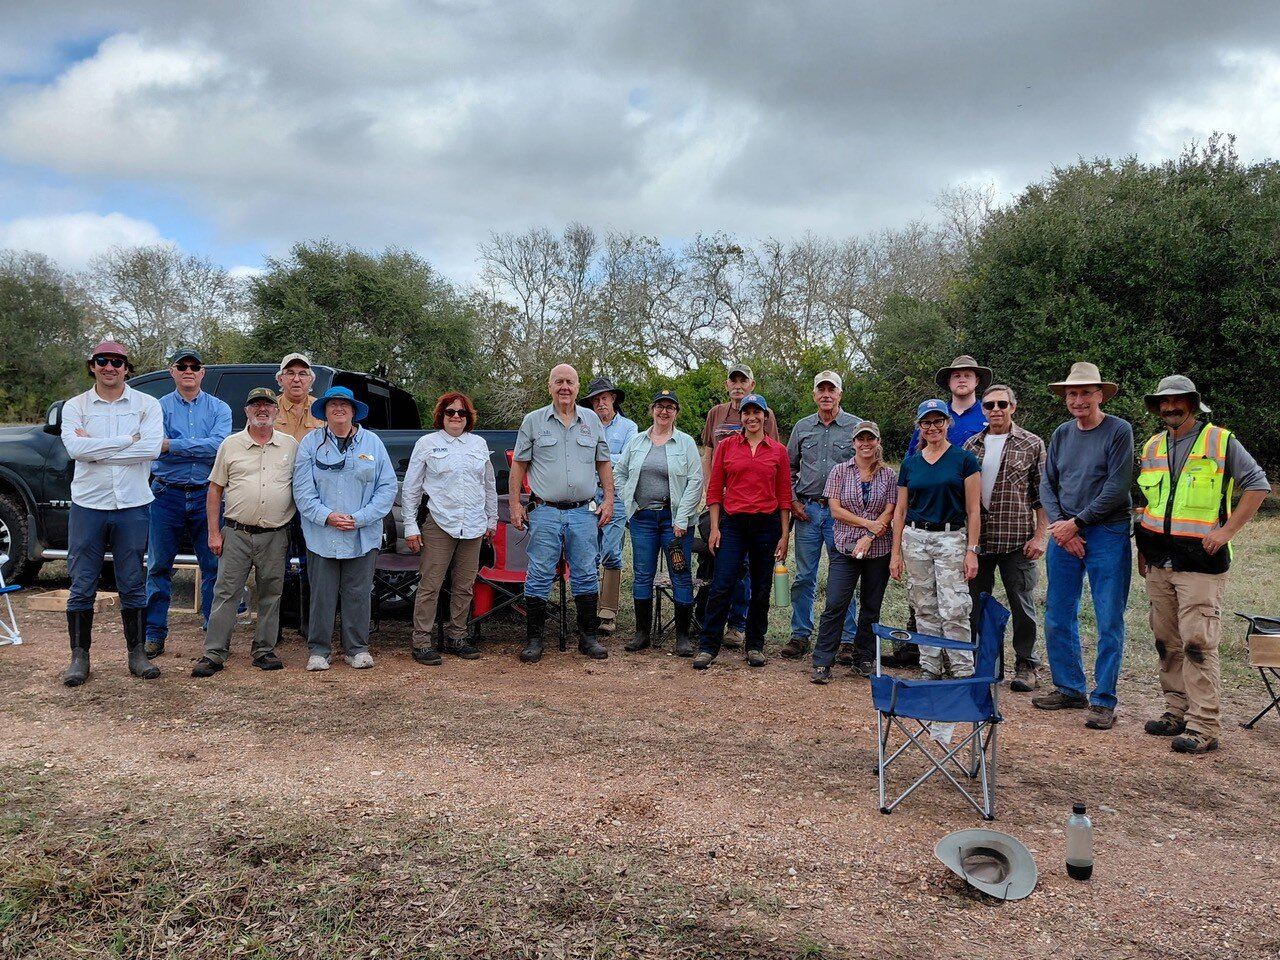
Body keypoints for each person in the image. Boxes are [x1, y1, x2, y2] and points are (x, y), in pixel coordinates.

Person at [1135, 375, 1269, 754]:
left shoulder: (1220, 441)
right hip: (1159, 560)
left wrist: (1226, 532)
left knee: (1198, 644)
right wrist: (1143, 549)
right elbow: (1148, 503)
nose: (1170, 407)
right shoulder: (1152, 446)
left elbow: (1258, 486)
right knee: (1167, 641)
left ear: (1192, 404)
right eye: (1164, 402)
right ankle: (1175, 712)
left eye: (1178, 401)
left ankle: (1204, 725)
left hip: (1202, 563)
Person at [1033, 362, 1134, 731]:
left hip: (1107, 531)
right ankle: (1070, 687)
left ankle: (1104, 699)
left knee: (1109, 617)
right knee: (1058, 612)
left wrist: (1077, 523)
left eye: (1085, 393)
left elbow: (1118, 486)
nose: (1078, 399)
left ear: (1100, 395)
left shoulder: (1119, 430)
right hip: (1065, 532)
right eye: (1072, 394)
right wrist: (1063, 527)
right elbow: (1048, 484)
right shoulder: (1061, 433)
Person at [60, 340, 164, 686]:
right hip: (89, 505)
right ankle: (79, 657)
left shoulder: (146, 404)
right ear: (92, 365)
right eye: (103, 360)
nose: (110, 367)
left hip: (132, 504)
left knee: (133, 582)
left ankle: (136, 654)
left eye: (117, 361)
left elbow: (150, 448)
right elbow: (76, 449)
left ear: (126, 367)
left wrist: (97, 449)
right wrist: (126, 441)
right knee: (82, 583)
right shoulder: (75, 407)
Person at [509, 364, 615, 663]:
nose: (564, 387)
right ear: (550, 386)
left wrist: (608, 500)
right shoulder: (533, 421)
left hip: (583, 513)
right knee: (540, 574)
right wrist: (516, 504)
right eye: (559, 382)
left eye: (569, 382)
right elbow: (519, 465)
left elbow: (603, 462)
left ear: (578, 387)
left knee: (585, 573)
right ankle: (534, 640)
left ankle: (588, 638)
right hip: (545, 512)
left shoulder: (592, 421)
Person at [192, 388, 299, 677]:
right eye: (256, 405)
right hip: (236, 532)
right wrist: (214, 533)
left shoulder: (290, 446)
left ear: (277, 412)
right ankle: (214, 653)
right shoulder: (230, 445)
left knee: (272, 593)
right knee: (226, 593)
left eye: (268, 405)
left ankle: (264, 650)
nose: (262, 409)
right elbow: (215, 490)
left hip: (276, 534)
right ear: (247, 411)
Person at [293, 386, 396, 671]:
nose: (339, 408)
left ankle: (357, 648)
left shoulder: (372, 443)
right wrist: (327, 516)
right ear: (324, 411)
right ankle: (319, 650)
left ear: (353, 411)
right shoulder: (310, 443)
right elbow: (302, 491)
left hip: (362, 533)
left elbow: (387, 487)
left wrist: (360, 517)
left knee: (358, 593)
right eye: (332, 404)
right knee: (322, 594)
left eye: (344, 404)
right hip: (321, 533)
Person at [142, 348, 232, 657]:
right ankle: (154, 634)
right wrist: (181, 446)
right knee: (158, 567)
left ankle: (213, 633)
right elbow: (155, 446)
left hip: (208, 495)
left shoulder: (220, 408)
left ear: (202, 371)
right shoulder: (158, 407)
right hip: (165, 494)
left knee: (213, 566)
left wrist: (174, 445)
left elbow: (219, 447)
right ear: (173, 371)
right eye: (183, 366)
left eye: (194, 366)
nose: (189, 371)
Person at [694, 393, 792, 670]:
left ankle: (755, 645)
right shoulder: (726, 447)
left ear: (765, 416)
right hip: (733, 523)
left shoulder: (778, 451)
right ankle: (708, 646)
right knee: (722, 584)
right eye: (747, 413)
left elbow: (784, 495)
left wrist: (784, 535)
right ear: (742, 417)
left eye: (757, 413)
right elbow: (714, 490)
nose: (751, 418)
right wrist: (715, 527)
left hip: (766, 524)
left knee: (761, 588)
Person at [963, 384, 1048, 693]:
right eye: (989, 405)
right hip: (980, 540)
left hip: (1017, 539)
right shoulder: (971, 446)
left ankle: (1027, 665)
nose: (995, 409)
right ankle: (984, 663)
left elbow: (1042, 496)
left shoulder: (1032, 444)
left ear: (1013, 406)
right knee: (976, 604)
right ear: (983, 410)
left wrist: (1041, 536)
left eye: (1002, 404)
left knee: (1022, 604)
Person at [401, 392, 498, 666]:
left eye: (462, 413)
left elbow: (488, 485)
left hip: (474, 525)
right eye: (450, 412)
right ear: (441, 415)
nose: (456, 416)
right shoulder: (427, 443)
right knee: (430, 585)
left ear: (469, 417)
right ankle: (421, 642)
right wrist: (410, 525)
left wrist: (491, 520)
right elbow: (411, 488)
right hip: (440, 524)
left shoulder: (478, 444)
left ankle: (457, 637)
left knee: (464, 586)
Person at [890, 400, 982, 685]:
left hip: (951, 537)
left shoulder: (964, 460)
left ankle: (961, 669)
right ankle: (930, 666)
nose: (933, 427)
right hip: (916, 537)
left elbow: (973, 509)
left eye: (938, 421)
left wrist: (972, 551)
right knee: (924, 606)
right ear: (920, 426)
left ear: (947, 423)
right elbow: (900, 511)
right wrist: (896, 554)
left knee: (954, 607)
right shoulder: (910, 463)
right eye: (927, 422)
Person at [615, 389, 703, 657]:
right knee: (643, 574)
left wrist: (681, 518)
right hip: (643, 519)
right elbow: (619, 473)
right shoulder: (637, 441)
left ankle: (683, 637)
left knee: (680, 574)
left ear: (676, 412)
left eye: (670, 407)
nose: (664, 411)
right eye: (660, 406)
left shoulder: (685, 442)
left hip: (674, 521)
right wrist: (630, 503)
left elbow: (695, 481)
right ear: (652, 409)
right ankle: (642, 633)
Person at [782, 370, 862, 661]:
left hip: (843, 515)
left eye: (832, 389)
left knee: (844, 576)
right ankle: (800, 634)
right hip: (808, 511)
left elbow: (865, 468)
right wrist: (792, 501)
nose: (826, 394)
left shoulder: (855, 427)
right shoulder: (803, 427)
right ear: (814, 394)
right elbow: (788, 468)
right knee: (804, 576)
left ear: (840, 393)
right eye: (821, 389)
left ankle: (848, 639)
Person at [700, 363, 780, 648]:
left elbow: (779, 479)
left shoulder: (770, 430)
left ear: (751, 384)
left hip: (762, 516)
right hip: (727, 509)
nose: (751, 417)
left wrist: (783, 532)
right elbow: (709, 455)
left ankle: (743, 631)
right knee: (720, 576)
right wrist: (713, 498)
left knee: (757, 582)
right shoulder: (717, 418)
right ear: (727, 385)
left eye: (742, 380)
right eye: (733, 380)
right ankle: (708, 639)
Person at [810, 422, 897, 683]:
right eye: (861, 439)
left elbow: (891, 510)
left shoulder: (889, 475)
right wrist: (868, 525)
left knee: (871, 607)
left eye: (871, 438)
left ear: (878, 442)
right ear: (853, 442)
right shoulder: (840, 471)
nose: (865, 443)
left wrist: (870, 535)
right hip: (845, 548)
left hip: (879, 549)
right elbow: (835, 510)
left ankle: (864, 658)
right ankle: (823, 661)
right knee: (836, 603)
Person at [580, 377, 637, 636]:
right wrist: (604, 461)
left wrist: (597, 458)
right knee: (588, 553)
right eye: (595, 399)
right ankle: (588, 609)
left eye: (604, 397)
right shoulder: (583, 425)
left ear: (613, 398)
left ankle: (608, 612)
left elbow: (627, 460)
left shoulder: (629, 427)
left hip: (617, 496)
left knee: (612, 552)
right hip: (588, 496)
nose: (600, 402)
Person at [275, 353, 325, 442]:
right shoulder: (269, 408)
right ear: (280, 379)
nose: (296, 379)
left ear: (310, 379)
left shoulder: (321, 408)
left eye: (302, 374)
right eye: (290, 373)